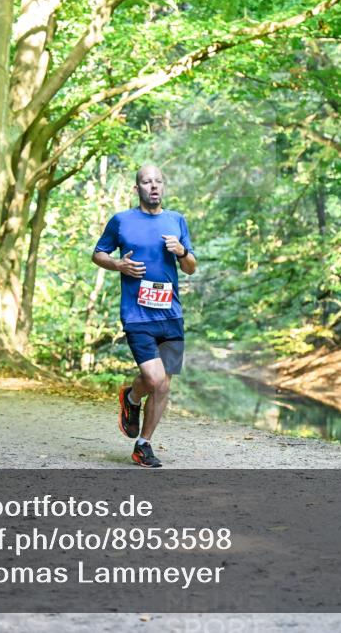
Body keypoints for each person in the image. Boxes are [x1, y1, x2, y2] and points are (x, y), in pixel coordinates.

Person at [92, 165, 197, 467]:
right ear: (137, 188)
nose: (153, 186)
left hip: (170, 314)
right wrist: (118, 266)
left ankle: (143, 444)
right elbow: (98, 254)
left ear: (163, 187)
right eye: (146, 182)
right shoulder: (122, 221)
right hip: (137, 314)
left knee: (164, 385)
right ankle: (132, 398)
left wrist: (180, 252)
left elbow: (190, 267)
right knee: (154, 378)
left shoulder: (176, 220)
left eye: (158, 181)